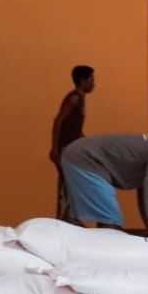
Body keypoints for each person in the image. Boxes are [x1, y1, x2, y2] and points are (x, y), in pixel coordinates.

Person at [49, 65, 95, 223]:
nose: (93, 84)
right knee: (66, 185)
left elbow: (76, 128)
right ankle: (64, 219)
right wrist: (54, 148)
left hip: (73, 148)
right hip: (65, 148)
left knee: (74, 182)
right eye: (91, 80)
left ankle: (72, 217)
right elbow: (58, 120)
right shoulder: (73, 98)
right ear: (82, 81)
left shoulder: (81, 99)